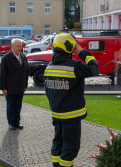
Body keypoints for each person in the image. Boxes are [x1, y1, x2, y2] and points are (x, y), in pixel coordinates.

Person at [44, 33, 99, 167]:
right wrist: (83, 53)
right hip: (71, 116)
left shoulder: (49, 67)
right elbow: (94, 68)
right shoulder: (74, 66)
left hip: (56, 115)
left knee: (58, 142)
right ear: (69, 47)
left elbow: (48, 92)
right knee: (70, 146)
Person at [0, 38, 29, 130]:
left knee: (18, 105)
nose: (19, 48)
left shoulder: (23, 57)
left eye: (20, 46)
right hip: (10, 88)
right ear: (12, 46)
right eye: (17, 46)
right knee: (10, 106)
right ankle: (11, 123)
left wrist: (25, 85)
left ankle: (17, 121)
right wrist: (3, 88)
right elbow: (2, 74)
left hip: (20, 87)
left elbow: (26, 72)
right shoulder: (6, 58)